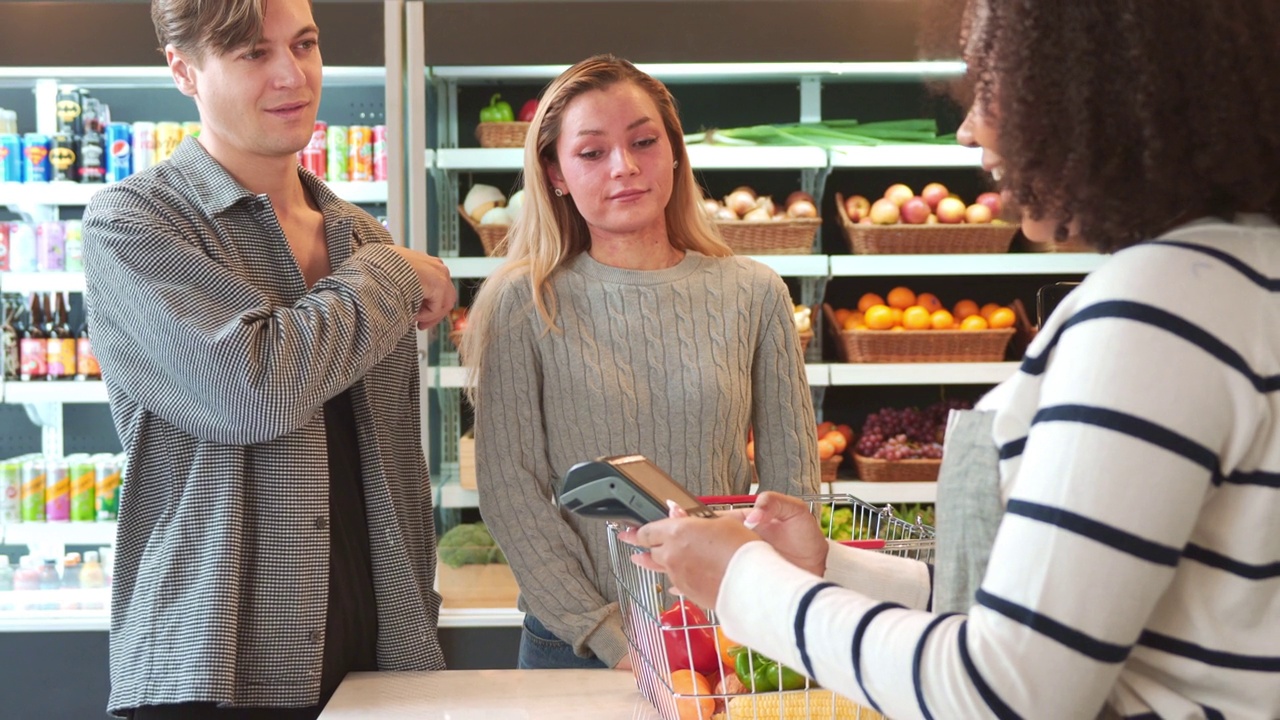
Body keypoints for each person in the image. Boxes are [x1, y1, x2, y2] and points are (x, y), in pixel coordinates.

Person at [628, 0, 1280, 717]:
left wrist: (743, 582)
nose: (969, 127)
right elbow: (1090, 623)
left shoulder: (1154, 311)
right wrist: (830, 569)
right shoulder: (1241, 280)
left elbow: (1007, 691)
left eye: (998, 84)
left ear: (1100, 94)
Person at [82, 0, 456, 717]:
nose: (293, 74)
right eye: (254, 53)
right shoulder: (132, 222)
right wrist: (392, 274)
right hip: (214, 662)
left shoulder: (360, 234)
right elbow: (251, 391)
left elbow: (396, 466)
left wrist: (416, 624)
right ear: (184, 70)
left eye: (306, 44)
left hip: (373, 650)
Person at [460, 54, 821, 671]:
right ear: (555, 173)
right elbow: (511, 491)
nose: (624, 167)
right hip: (575, 646)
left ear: (674, 153)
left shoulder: (755, 292)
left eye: (643, 142)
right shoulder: (524, 300)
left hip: (722, 633)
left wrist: (766, 604)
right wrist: (609, 635)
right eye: (592, 152)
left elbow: (792, 489)